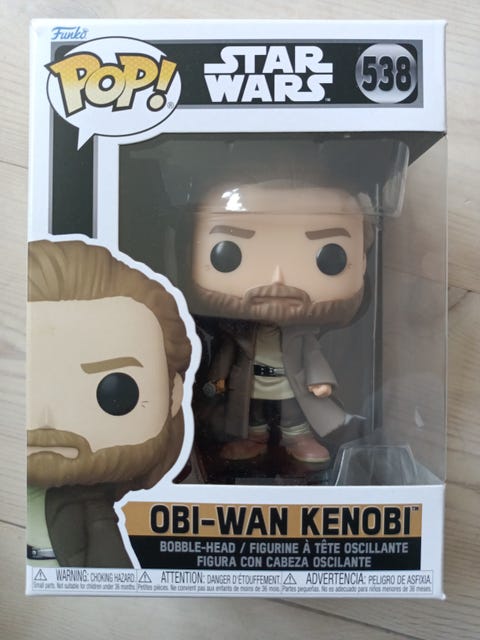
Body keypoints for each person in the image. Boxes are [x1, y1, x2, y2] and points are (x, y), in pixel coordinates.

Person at [27, 240, 191, 567]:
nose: (47, 418)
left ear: (173, 395)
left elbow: (108, 570)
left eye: (116, 392)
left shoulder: (92, 512)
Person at [190, 180, 373, 465]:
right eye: (228, 254)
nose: (278, 279)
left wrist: (320, 381)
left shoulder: (301, 332)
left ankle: (298, 438)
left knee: (293, 413)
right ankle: (254, 438)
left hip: (289, 382)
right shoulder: (238, 332)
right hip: (250, 382)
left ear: (362, 261)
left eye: (330, 258)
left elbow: (312, 354)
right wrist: (216, 381)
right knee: (253, 414)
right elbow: (226, 355)